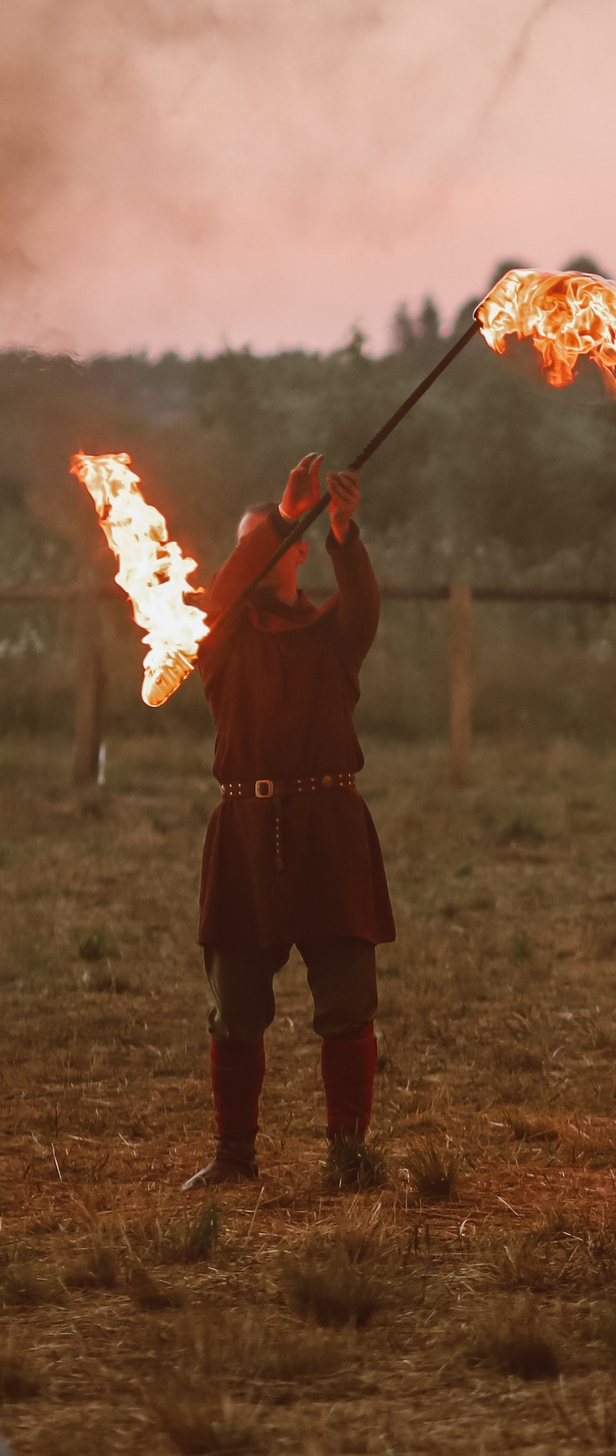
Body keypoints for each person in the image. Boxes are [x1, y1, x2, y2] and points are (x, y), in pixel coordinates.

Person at [184, 454, 394, 1191]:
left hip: (330, 828)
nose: (264, 552)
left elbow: (364, 601)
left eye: (279, 539)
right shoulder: (216, 641)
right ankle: (235, 1156)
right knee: (235, 1007)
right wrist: (279, 514)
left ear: (298, 553)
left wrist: (341, 530)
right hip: (246, 832)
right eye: (254, 543)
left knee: (346, 1001)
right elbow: (225, 588)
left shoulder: (332, 633)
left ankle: (347, 1156)